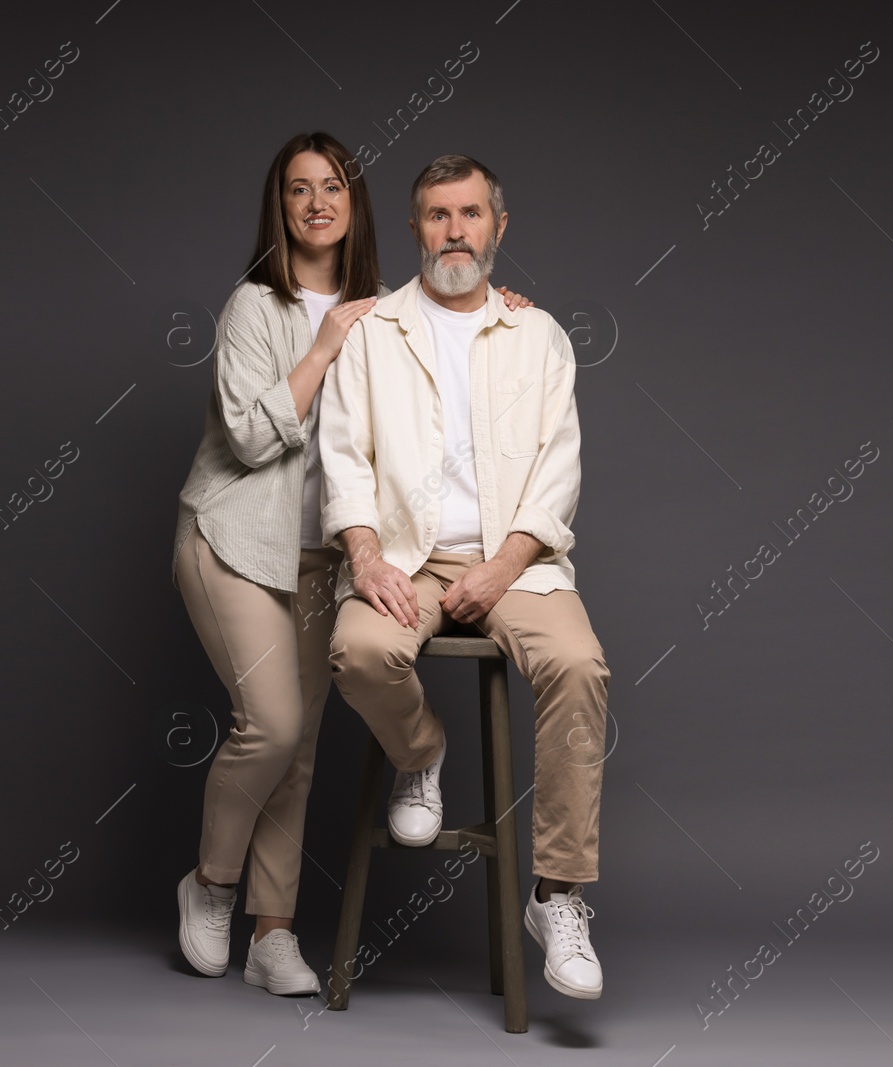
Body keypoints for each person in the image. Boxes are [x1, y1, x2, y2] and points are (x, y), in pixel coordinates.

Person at [170, 133, 531, 996]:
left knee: (301, 753)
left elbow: (455, 366)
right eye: (300, 191)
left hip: (323, 560)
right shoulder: (255, 306)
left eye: (332, 187)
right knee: (275, 725)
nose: (318, 203)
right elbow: (252, 438)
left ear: (356, 204)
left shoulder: (390, 311)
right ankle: (211, 881)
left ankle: (274, 934)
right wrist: (325, 345)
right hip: (232, 542)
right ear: (281, 207)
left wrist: (497, 317)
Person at [320, 153, 611, 1000]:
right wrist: (366, 554)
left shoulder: (539, 334)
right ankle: (423, 751)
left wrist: (504, 566)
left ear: (499, 225)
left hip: (513, 557)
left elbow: (559, 470)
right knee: (362, 655)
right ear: (415, 228)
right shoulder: (374, 331)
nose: (455, 230)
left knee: (579, 666)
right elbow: (343, 455)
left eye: (471, 214)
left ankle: (557, 896)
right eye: (438, 215)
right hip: (403, 555)